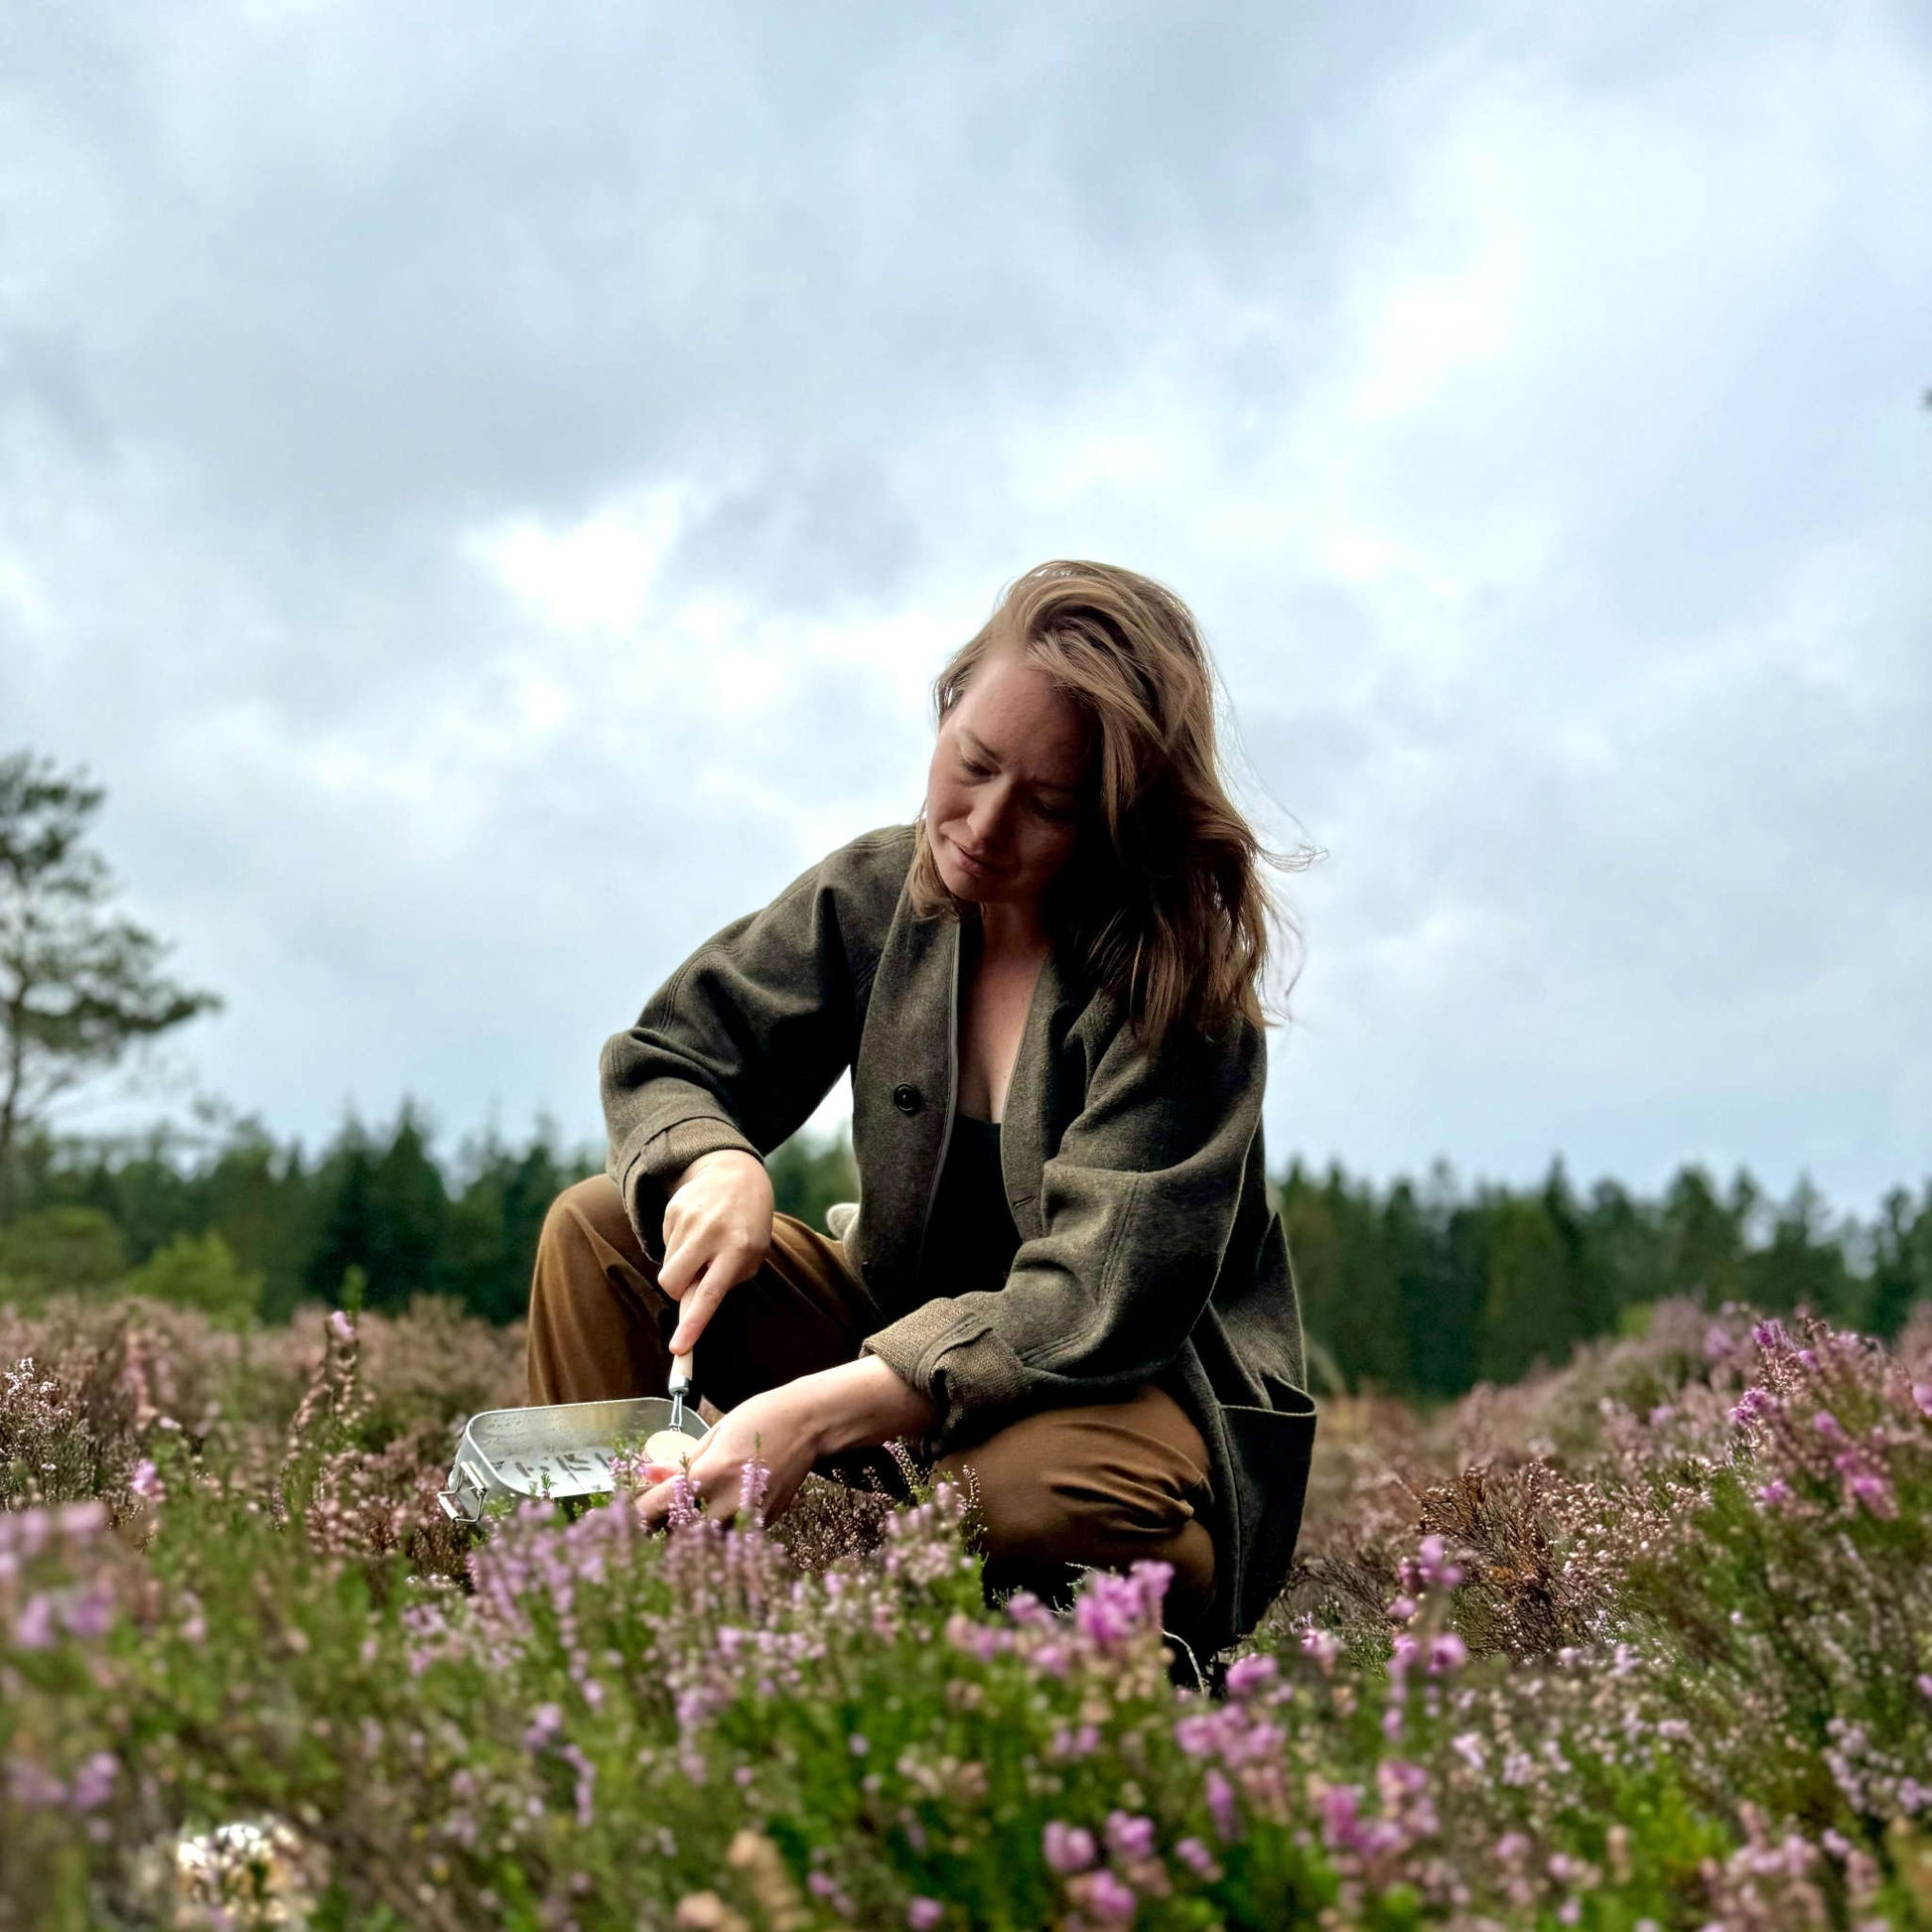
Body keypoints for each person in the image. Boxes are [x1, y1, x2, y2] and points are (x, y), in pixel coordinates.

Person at [525, 559, 1316, 1657]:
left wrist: (808, 1413)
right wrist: (710, 1159)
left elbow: (1095, 1301)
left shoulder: (1176, 987)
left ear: (1119, 819)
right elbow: (671, 1055)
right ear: (947, 704)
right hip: (889, 1343)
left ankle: (1161, 1612)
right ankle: (609, 1622)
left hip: (1130, 1392)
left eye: (1046, 803)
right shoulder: (872, 894)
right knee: (598, 1230)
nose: (984, 824)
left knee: (1010, 1499)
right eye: (973, 762)